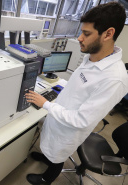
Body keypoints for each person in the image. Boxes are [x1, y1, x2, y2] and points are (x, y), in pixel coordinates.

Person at [25, 2, 128, 184]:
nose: (80, 38)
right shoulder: (92, 57)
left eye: (86, 34)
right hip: (58, 116)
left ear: (108, 34)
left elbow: (82, 120)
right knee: (49, 148)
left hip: (68, 130)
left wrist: (46, 104)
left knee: (57, 156)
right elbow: (78, 88)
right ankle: (46, 158)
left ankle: (44, 179)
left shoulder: (114, 79)